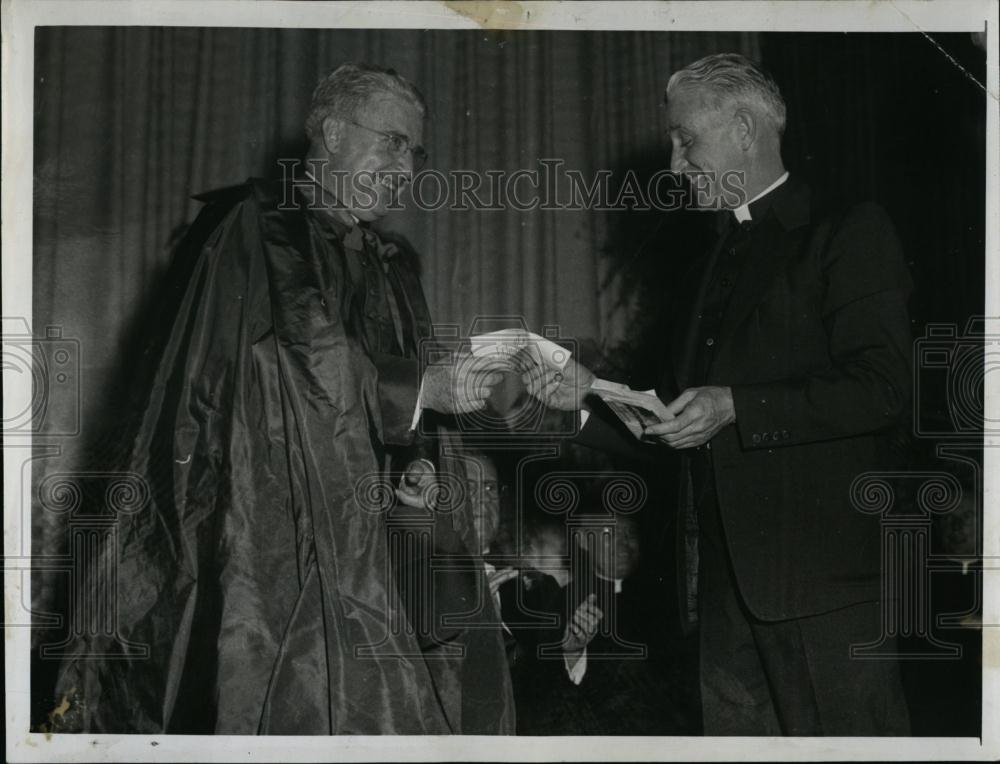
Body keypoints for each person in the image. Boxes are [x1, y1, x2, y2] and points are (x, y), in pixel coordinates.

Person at [52, 62, 512, 735]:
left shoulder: (389, 262)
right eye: (390, 142)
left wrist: (414, 456)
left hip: (370, 544)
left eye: (416, 151)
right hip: (265, 543)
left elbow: (383, 399)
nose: (406, 165)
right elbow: (264, 378)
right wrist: (415, 390)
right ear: (330, 132)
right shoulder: (250, 231)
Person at [527, 53, 913, 735]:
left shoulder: (847, 230)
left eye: (686, 139)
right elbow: (678, 427)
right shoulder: (707, 262)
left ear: (742, 128)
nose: (675, 164)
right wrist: (584, 399)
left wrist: (736, 404)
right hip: (718, 602)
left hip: (823, 596)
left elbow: (884, 387)